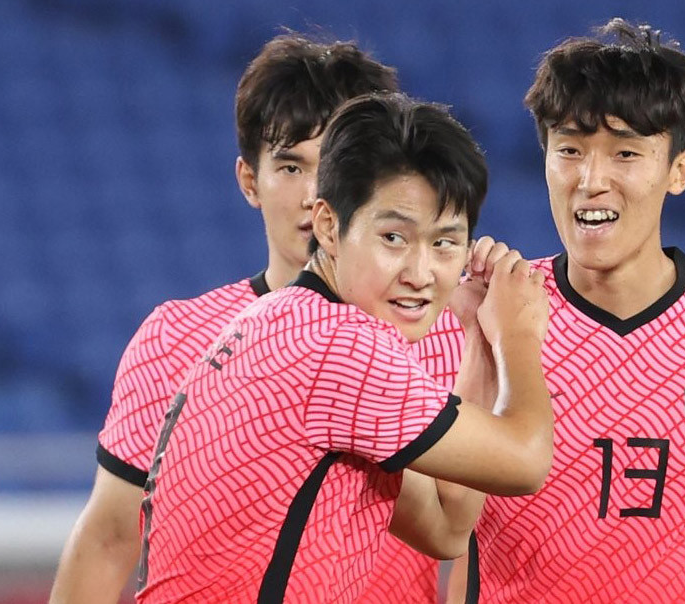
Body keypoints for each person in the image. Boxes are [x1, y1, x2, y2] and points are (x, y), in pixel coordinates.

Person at [49, 34, 446, 604]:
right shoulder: (177, 339)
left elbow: (483, 536)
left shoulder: (447, 337)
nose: (316, 195)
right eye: (290, 166)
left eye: (340, 164)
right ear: (248, 181)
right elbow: (111, 538)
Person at [135, 91, 553, 603]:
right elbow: (527, 462)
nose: (421, 274)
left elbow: (445, 528)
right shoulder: (342, 347)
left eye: (444, 243)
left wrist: (478, 338)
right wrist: (517, 333)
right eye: (394, 238)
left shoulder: (281, 323)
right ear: (329, 227)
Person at [448, 18, 685, 604]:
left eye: (625, 153)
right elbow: (430, 528)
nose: (591, 180)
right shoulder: (479, 314)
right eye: (569, 150)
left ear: (679, 170)